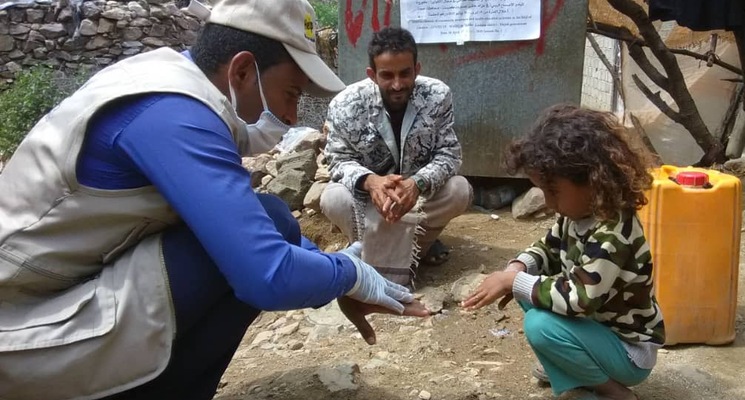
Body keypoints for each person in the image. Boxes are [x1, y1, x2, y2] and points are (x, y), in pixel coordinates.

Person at [0, 1, 428, 399]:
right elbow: (267, 275)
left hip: (51, 309)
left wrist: (329, 268)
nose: (292, 117)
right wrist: (349, 275)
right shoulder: (175, 116)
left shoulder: (168, 84)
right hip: (23, 334)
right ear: (242, 71)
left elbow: (253, 228)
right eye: (291, 93)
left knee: (272, 220)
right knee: (258, 243)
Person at [462, 104, 666, 400]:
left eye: (553, 191)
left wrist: (513, 282)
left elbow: (579, 298)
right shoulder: (578, 215)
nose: (548, 202)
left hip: (628, 351)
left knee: (540, 325)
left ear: (592, 180)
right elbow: (548, 248)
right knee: (528, 290)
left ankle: (613, 392)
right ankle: (570, 368)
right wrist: (517, 268)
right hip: (597, 330)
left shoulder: (613, 232)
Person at [320, 27, 472, 286]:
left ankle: (388, 255)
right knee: (333, 198)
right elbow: (337, 159)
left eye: (405, 73)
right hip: (369, 200)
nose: (398, 84)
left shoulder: (437, 96)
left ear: (417, 69)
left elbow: (449, 154)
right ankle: (413, 250)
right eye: (387, 75)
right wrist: (372, 182)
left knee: (459, 190)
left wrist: (417, 184)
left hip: (417, 198)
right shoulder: (345, 104)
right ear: (372, 74)